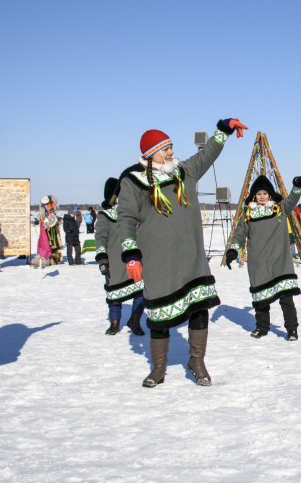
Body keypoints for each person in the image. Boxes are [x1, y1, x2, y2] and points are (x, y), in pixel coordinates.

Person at [117, 119, 246, 388]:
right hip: (159, 261)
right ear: (149, 153)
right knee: (160, 316)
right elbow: (126, 218)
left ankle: (197, 361)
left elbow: (207, 154)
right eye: (164, 149)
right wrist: (131, 253)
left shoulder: (184, 172)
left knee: (199, 309)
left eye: (171, 147)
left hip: (192, 259)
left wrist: (223, 130)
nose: (170, 153)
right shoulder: (133, 181)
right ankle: (159, 368)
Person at [226, 175, 301, 340]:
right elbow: (239, 234)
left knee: (286, 299)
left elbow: (292, 199)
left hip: (280, 261)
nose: (262, 196)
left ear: (270, 194)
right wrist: (233, 251)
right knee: (260, 301)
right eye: (258, 194)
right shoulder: (248, 213)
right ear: (254, 196)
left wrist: (297, 186)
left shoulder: (280, 208)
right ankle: (262, 327)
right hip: (259, 263)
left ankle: (292, 329)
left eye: (264, 193)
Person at [95, 177, 145, 336]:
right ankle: (114, 324)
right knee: (114, 297)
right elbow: (100, 237)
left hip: (133, 260)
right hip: (115, 263)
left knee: (140, 292)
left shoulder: (134, 214)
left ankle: (134, 321)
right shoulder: (104, 216)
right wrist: (102, 258)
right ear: (113, 197)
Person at [39, 195, 63, 265]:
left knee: (54, 245)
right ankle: (48, 259)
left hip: (53, 232)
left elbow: (55, 221)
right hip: (47, 231)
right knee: (48, 245)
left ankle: (54, 260)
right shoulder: (45, 214)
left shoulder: (52, 213)